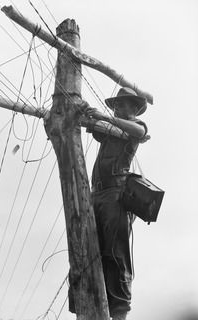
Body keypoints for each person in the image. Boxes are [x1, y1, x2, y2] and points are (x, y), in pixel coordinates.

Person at [78, 87, 148, 320]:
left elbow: (138, 132)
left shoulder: (135, 127)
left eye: (123, 104)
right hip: (96, 194)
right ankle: (90, 306)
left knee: (115, 253)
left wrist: (105, 116)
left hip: (116, 194)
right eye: (116, 104)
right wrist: (85, 111)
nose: (117, 107)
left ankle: (119, 311)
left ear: (134, 109)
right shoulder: (109, 130)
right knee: (88, 251)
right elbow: (90, 124)